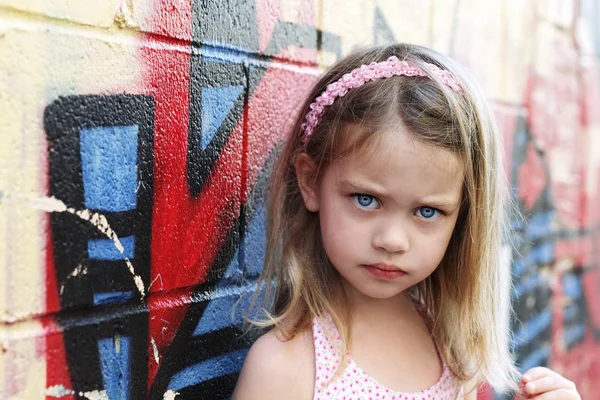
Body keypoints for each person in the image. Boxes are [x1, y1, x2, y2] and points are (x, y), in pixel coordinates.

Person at [232, 43, 580, 400]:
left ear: (462, 215)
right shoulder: (286, 369)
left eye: (427, 211)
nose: (393, 240)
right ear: (310, 181)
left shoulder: (452, 347)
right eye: (366, 200)